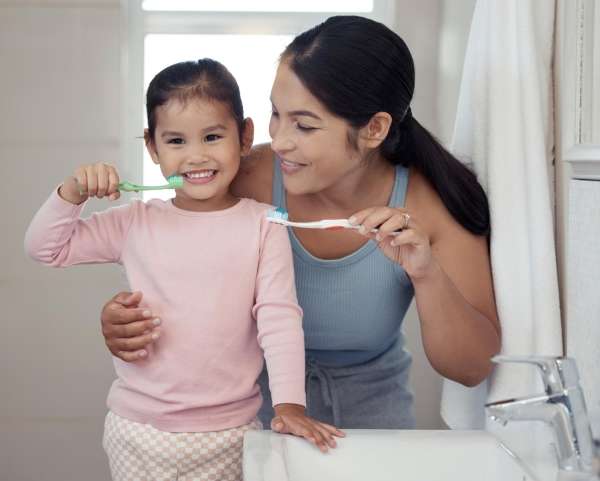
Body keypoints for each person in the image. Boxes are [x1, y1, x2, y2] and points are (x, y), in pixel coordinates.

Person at [100, 16, 501, 431]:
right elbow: (165, 253)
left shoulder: (433, 207)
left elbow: (471, 369)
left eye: (304, 125)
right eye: (277, 114)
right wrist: (123, 320)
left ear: (374, 129)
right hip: (245, 415)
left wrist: (426, 271)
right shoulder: (248, 178)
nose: (280, 140)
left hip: (370, 424)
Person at [24, 58, 343, 481]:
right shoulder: (133, 221)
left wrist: (288, 406)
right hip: (136, 431)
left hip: (230, 435)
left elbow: (279, 317)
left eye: (212, 136)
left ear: (244, 137)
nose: (196, 156)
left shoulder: (264, 224)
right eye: (175, 141)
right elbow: (45, 248)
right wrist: (72, 193)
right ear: (152, 148)